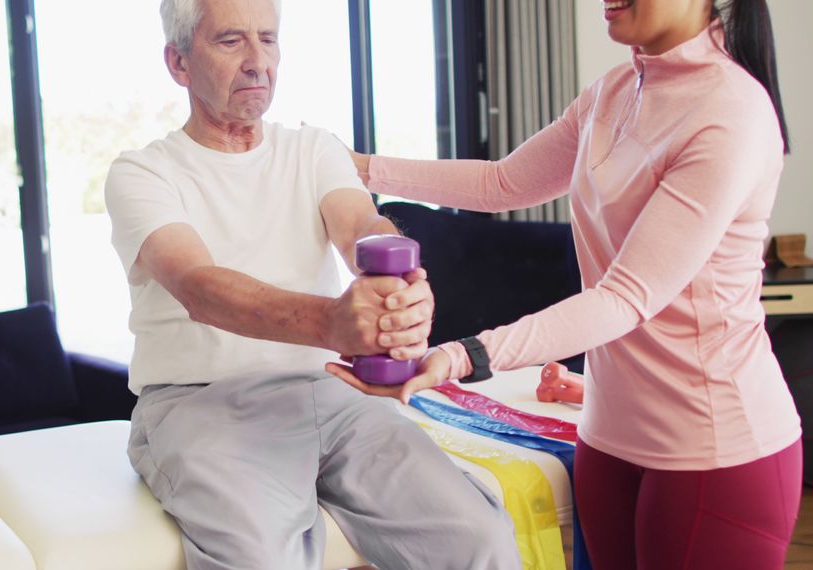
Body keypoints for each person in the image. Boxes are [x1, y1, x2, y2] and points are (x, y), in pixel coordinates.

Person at [328, 0, 801, 568]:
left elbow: (625, 297)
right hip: (608, 439)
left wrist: (460, 356)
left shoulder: (731, 112)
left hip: (714, 448)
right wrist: (358, 168)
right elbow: (499, 184)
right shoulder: (615, 90)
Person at [104, 0, 520, 567]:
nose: (258, 62)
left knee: (478, 537)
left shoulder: (312, 148)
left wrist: (396, 282)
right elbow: (199, 286)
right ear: (179, 62)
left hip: (334, 394)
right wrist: (332, 322)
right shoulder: (144, 173)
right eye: (230, 42)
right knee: (262, 557)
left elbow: (359, 225)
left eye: (269, 40)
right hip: (202, 402)